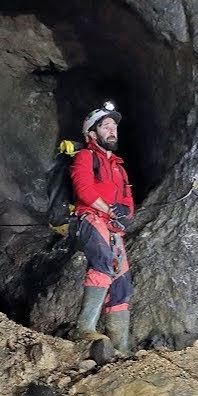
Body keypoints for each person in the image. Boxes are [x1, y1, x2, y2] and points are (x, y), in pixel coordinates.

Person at [72, 101, 135, 355]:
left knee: (122, 284)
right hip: (90, 219)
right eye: (105, 126)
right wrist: (111, 210)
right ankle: (85, 329)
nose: (112, 130)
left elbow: (128, 202)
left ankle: (119, 347)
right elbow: (84, 190)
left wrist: (125, 214)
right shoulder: (85, 157)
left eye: (113, 126)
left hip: (113, 228)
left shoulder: (119, 167)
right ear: (92, 133)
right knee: (103, 264)